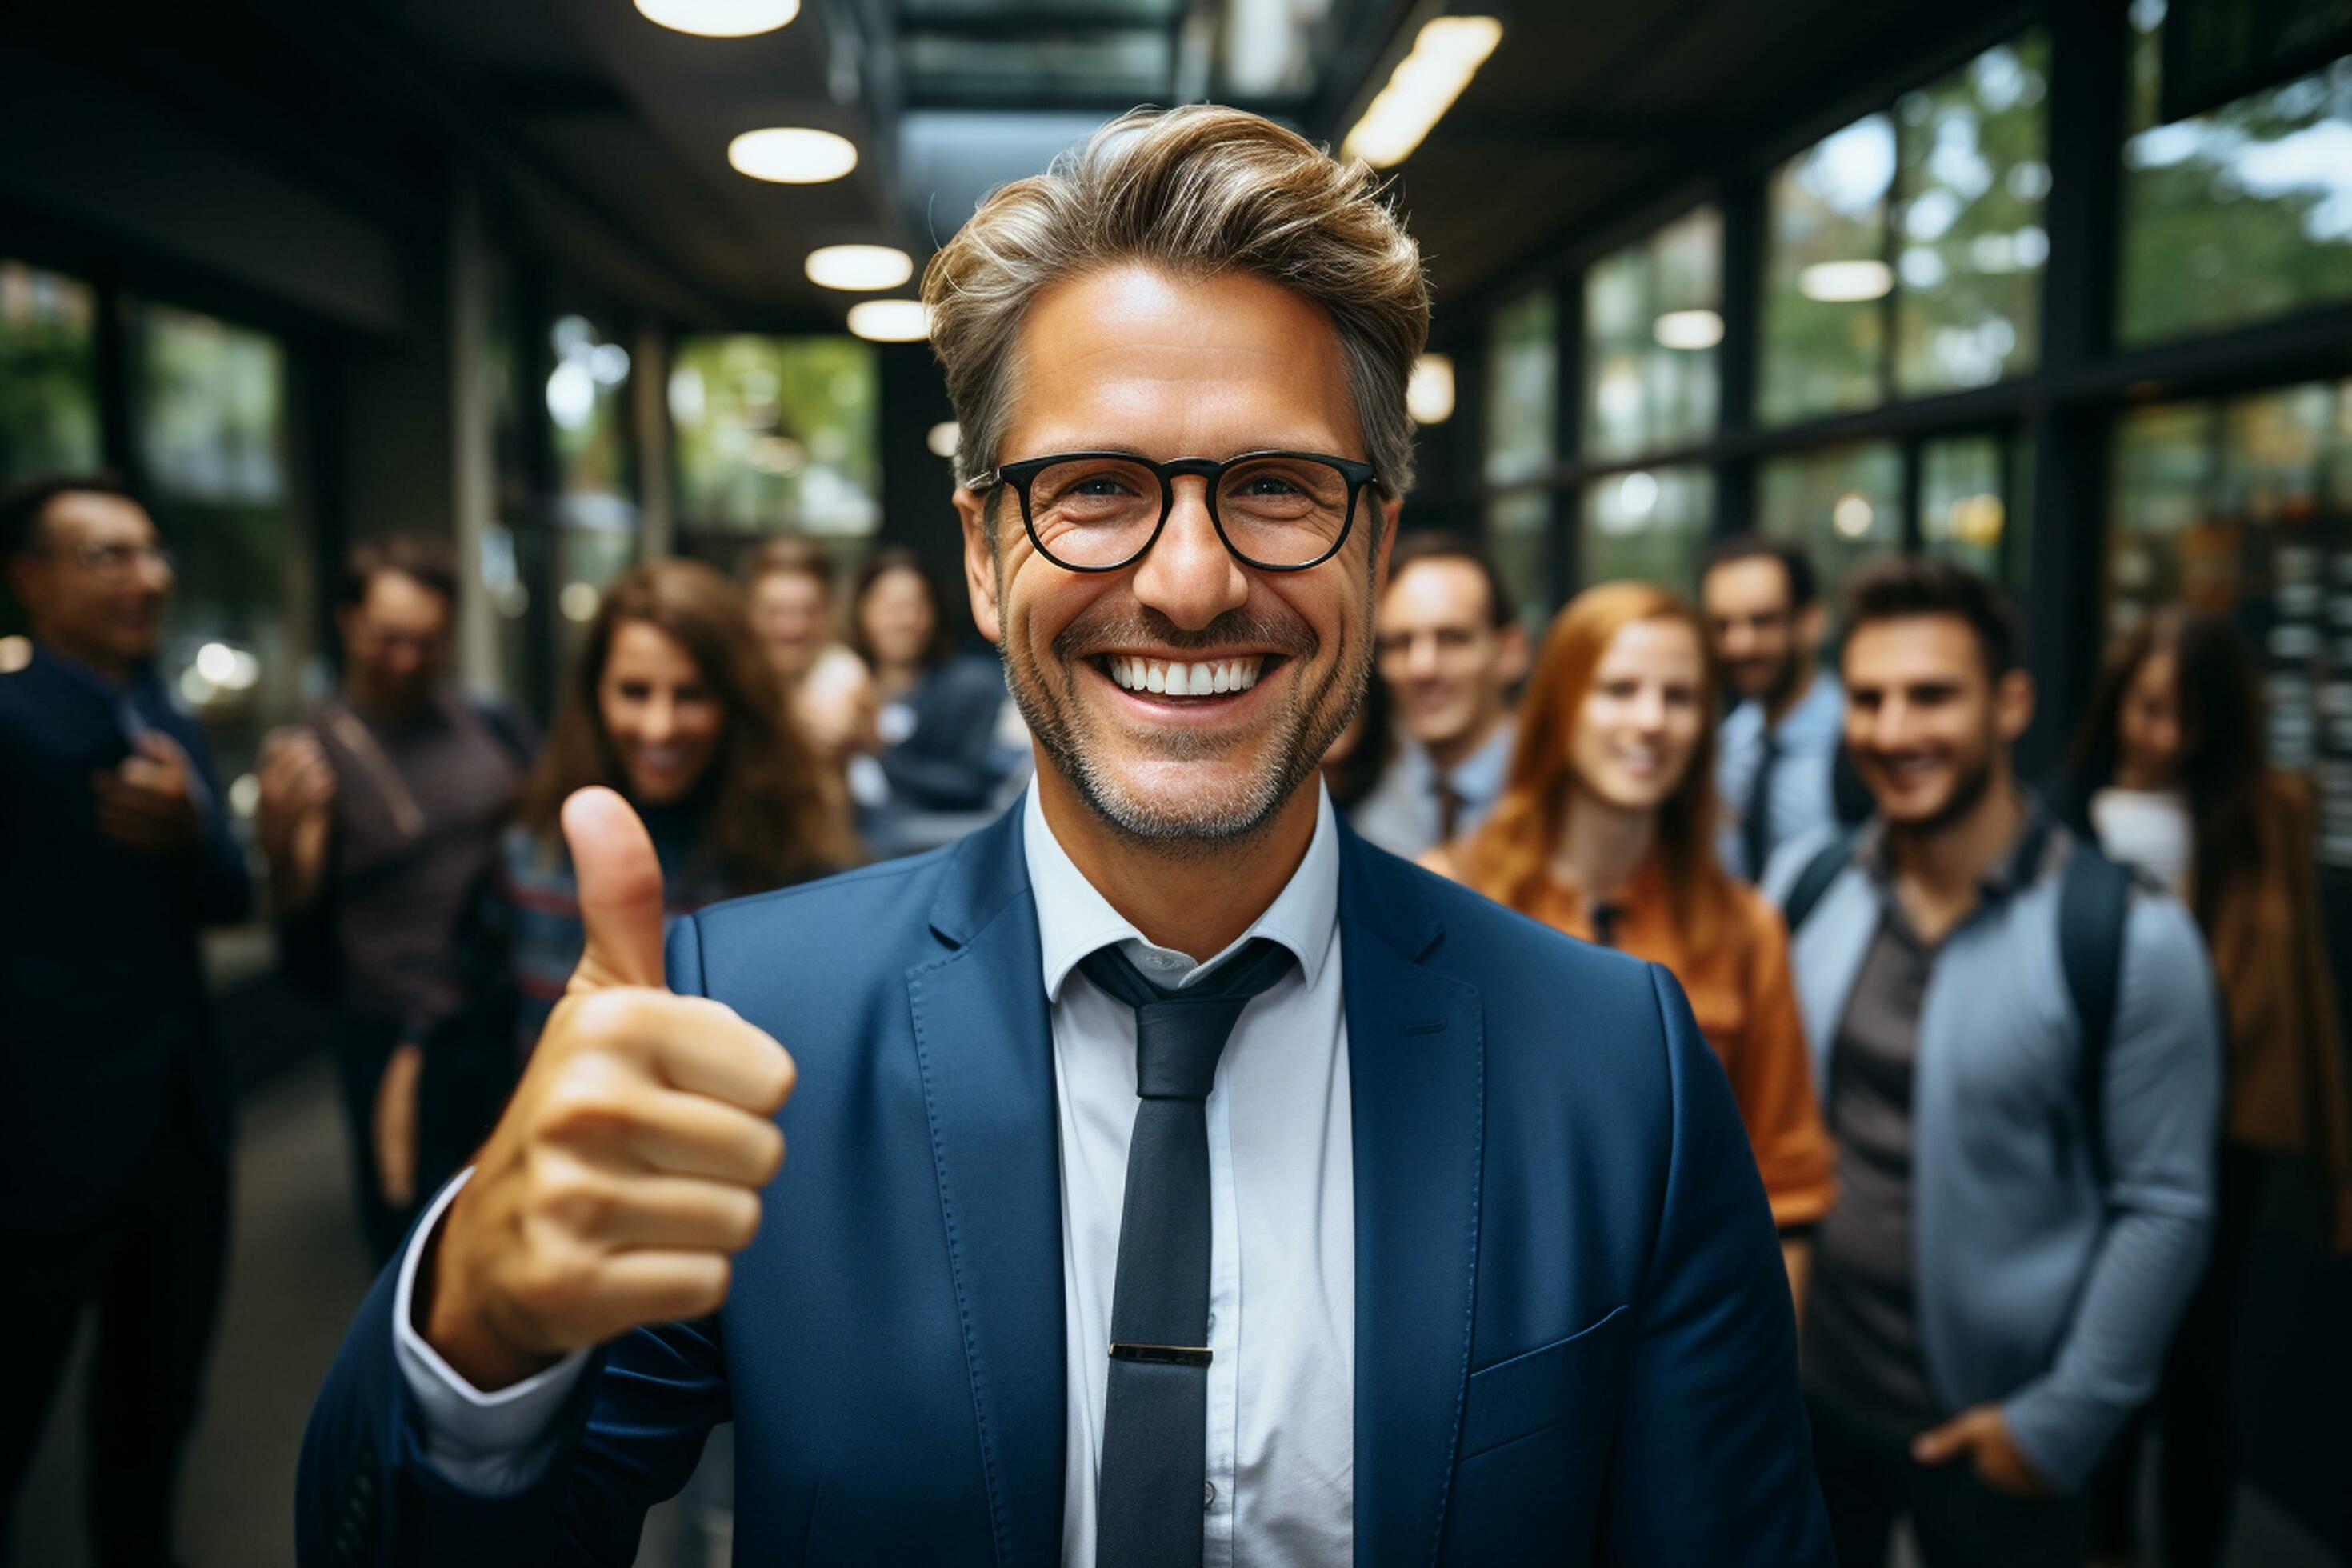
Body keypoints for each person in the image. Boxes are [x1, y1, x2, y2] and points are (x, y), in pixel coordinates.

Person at [298, 106, 1830, 1564]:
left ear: (1374, 543)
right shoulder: (753, 1028)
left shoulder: (1615, 1067)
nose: (1186, 583)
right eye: (1092, 490)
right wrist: (473, 1337)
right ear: (981, 553)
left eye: (1278, 488)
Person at [1763, 558, 2219, 1568]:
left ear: (2010, 703)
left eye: (1932, 695)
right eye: (1871, 698)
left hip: (1998, 1437)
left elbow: (2167, 1204)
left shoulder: (2129, 936)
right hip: (1815, 1402)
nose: (1893, 730)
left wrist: (2057, 1426)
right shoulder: (1809, 884)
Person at [1424, 582, 1835, 1306]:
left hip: (1691, 1322)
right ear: (1560, 704)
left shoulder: (1745, 928)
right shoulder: (1449, 894)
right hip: (1490, 1315)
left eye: (1679, 698)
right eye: (1618, 690)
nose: (1652, 721)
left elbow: (1787, 1190)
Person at [2062, 607, 2352, 1568]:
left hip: (2222, 1129)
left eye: (2190, 717)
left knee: (2198, 1367)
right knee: (2100, 1349)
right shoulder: (2070, 812)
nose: (2165, 736)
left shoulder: (2261, 814)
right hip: (2091, 1123)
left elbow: (2301, 983)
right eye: (2148, 708)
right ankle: (2099, 1546)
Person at [0, 474, 250, 1567]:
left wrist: (194, 833)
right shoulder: (7, 725)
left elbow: (233, 896)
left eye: (152, 553)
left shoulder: (166, 715)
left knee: (151, 1420)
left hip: (180, 1122)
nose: (147, 578)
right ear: (30, 579)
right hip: (33, 1136)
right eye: (108, 556)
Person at [255, 536, 532, 1262]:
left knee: (509, 1216)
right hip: (394, 1026)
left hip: (498, 1009)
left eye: (428, 642)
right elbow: (293, 906)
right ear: (349, 622)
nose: (408, 659)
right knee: (411, 1233)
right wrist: (282, 846)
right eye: (389, 640)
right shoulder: (315, 750)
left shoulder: (486, 724)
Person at [486, 558, 855, 1054]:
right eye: (634, 692)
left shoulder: (797, 862)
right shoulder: (527, 850)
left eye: (691, 695)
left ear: (735, 702)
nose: (659, 726)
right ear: (595, 696)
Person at [1348, 530, 1529, 858]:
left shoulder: (1568, 793)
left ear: (1510, 652)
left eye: (1451, 638)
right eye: (1400, 643)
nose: (1422, 668)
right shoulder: (1361, 792)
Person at [844, 545, 1024, 856]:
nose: (902, 621)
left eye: (915, 606)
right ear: (862, 610)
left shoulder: (969, 687)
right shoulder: (842, 683)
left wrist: (881, 753)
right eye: (888, 606)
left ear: (935, 612)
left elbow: (973, 784)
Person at [1702, 535, 1850, 879]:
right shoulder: (1726, 746)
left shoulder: (1862, 743)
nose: (1740, 644)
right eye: (1722, 626)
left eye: (1763, 621)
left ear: (1811, 622)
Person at [745, 535, 870, 760]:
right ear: (751, 612)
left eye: (808, 612)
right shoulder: (732, 670)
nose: (792, 627)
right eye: (776, 612)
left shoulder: (843, 675)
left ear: (829, 613)